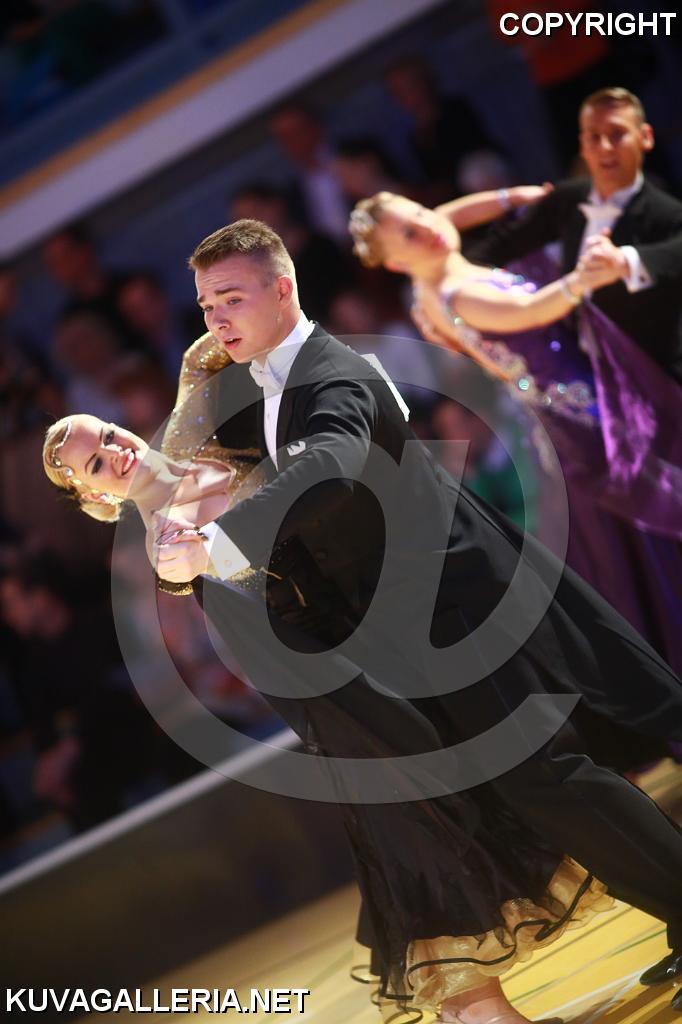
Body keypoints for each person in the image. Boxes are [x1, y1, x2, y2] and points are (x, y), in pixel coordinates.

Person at [43, 220, 682, 1022]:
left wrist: (216, 538)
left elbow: (329, 465)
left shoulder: (330, 373)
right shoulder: (239, 406)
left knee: (544, 777)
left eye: (231, 298)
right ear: (91, 496)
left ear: (283, 290)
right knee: (520, 789)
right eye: (205, 305)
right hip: (375, 650)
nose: (215, 319)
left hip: (453, 602)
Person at [349, 186, 682, 679]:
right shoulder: (457, 294)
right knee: (651, 520)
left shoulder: (428, 270)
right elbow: (532, 311)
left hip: (565, 411)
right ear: (396, 262)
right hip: (587, 420)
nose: (427, 226)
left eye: (418, 213)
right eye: (408, 234)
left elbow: (446, 216)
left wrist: (511, 198)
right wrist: (582, 278)